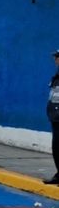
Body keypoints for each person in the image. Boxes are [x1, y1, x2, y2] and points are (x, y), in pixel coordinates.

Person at [45, 51, 59, 185]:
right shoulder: (56, 76)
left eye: (57, 57)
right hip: (55, 118)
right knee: (56, 148)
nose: (55, 60)